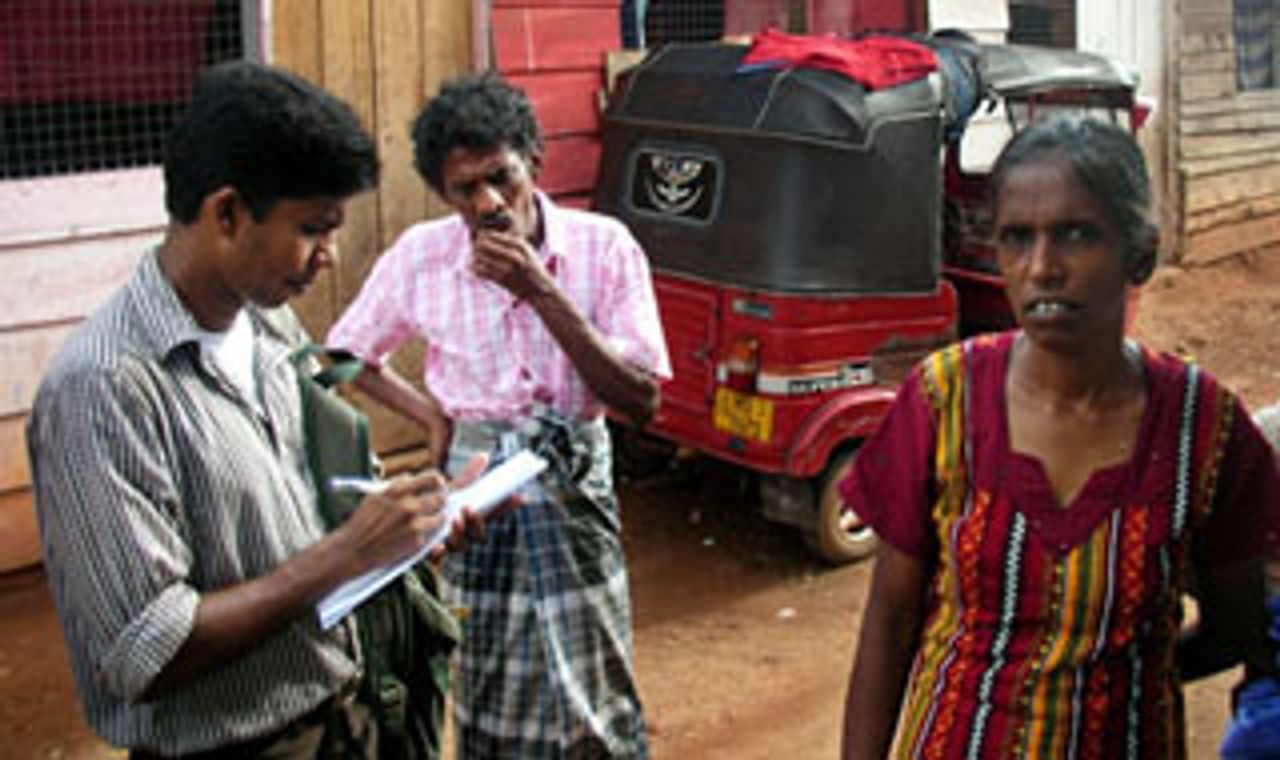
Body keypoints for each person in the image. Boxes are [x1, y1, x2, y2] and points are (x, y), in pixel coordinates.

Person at [27, 61, 491, 758]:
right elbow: (146, 650)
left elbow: (311, 507)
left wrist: (412, 530)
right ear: (226, 214)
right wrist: (348, 552)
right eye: (313, 229)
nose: (330, 256)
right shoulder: (104, 388)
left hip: (346, 717)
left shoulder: (269, 327)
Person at [839, 116, 1280, 759]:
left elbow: (1236, 623)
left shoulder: (1205, 427)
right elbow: (891, 617)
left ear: (1140, 253)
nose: (1042, 268)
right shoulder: (944, 399)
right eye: (1017, 238)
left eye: (1076, 235)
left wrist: (1122, 682)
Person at [327, 72, 671, 757]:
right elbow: (342, 356)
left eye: (500, 178)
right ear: (443, 193)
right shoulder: (422, 257)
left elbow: (641, 398)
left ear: (532, 161)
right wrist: (431, 418)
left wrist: (540, 289)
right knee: (486, 672)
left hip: (573, 485)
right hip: (475, 494)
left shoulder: (603, 247)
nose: (487, 203)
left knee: (594, 677)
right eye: (465, 189)